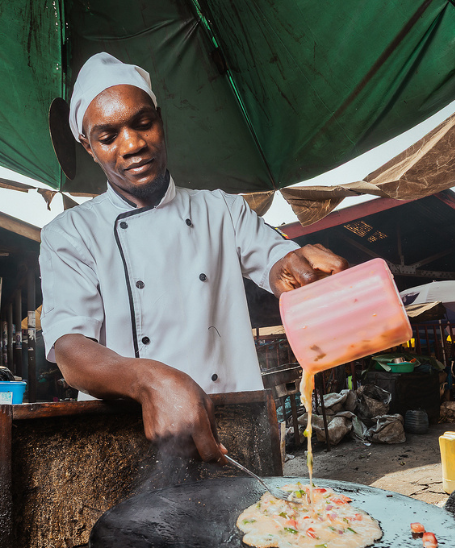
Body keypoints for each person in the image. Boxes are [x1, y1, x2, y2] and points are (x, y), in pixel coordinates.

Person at [39, 53, 347, 464]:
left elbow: (274, 258)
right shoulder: (70, 232)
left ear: (161, 120)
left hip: (234, 426)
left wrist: (293, 263)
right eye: (109, 136)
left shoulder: (222, 210)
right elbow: (71, 349)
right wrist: (149, 380)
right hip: (126, 436)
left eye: (142, 123)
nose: (132, 145)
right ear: (88, 146)